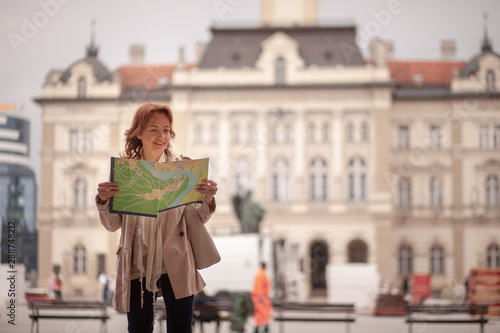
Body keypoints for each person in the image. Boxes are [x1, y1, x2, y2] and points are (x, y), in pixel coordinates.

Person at [96, 103, 218, 333]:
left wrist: (207, 199)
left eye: (166, 129)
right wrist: (103, 201)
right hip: (137, 264)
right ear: (139, 133)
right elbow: (112, 225)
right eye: (153, 129)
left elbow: (197, 218)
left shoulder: (182, 169)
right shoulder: (125, 173)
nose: (161, 136)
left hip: (178, 260)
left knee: (180, 329)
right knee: (139, 329)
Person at [250, 263, 273, 333]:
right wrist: (261, 297)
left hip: (261, 297)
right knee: (263, 313)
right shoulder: (261, 274)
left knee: (260, 314)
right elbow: (259, 286)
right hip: (260, 298)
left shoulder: (261, 273)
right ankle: (263, 328)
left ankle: (260, 328)